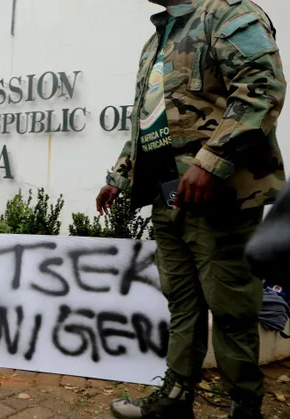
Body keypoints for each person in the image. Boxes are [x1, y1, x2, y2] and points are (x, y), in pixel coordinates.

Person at [99, 1, 286, 418]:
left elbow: (262, 87)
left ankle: (244, 405)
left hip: (220, 196)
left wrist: (212, 160)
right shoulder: (157, 39)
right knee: (181, 301)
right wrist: (119, 176)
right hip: (167, 194)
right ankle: (176, 396)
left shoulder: (227, 13)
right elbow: (148, 121)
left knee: (231, 307)